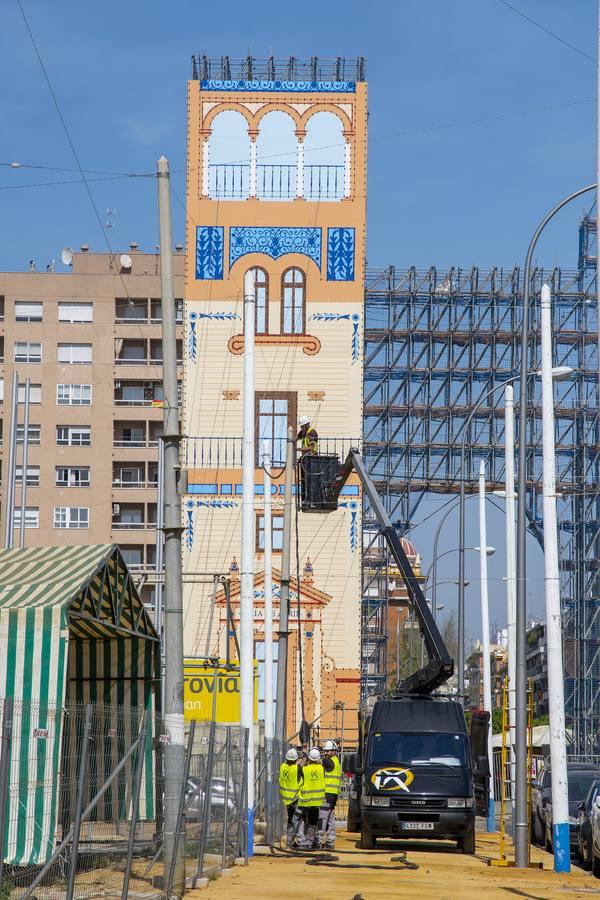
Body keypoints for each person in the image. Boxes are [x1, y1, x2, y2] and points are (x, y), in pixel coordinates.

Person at [298, 746, 326, 850]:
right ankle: (310, 842)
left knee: (303, 820)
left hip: (305, 800)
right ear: (318, 758)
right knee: (313, 822)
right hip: (317, 801)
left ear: (309, 758)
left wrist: (304, 758)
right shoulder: (322, 769)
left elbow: (298, 767)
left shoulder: (304, 769)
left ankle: (304, 841)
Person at [279, 747, 304, 848]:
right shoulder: (297, 768)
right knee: (299, 820)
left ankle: (289, 842)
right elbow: (303, 778)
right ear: (295, 759)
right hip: (296, 798)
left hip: (286, 799)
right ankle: (302, 841)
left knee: (290, 820)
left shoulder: (282, 767)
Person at [319, 739, 342, 849]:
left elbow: (324, 762)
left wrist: (317, 756)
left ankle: (318, 841)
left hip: (328, 794)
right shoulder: (336, 761)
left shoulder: (330, 761)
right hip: (333, 794)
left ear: (334, 751)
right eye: (325, 751)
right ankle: (330, 841)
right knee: (330, 817)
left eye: (328, 751)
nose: (326, 753)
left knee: (322, 818)